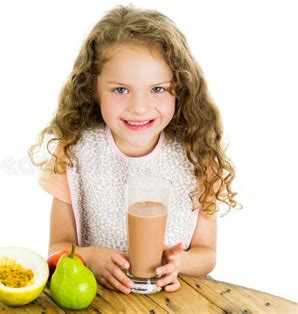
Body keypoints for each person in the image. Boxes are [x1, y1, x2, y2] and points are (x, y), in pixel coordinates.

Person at [28, 4, 239, 294]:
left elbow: (207, 254)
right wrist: (89, 258)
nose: (139, 107)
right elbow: (57, 248)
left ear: (181, 88)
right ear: (93, 89)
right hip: (99, 299)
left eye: (158, 89)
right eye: (120, 90)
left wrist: (180, 263)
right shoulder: (76, 151)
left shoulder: (197, 156)